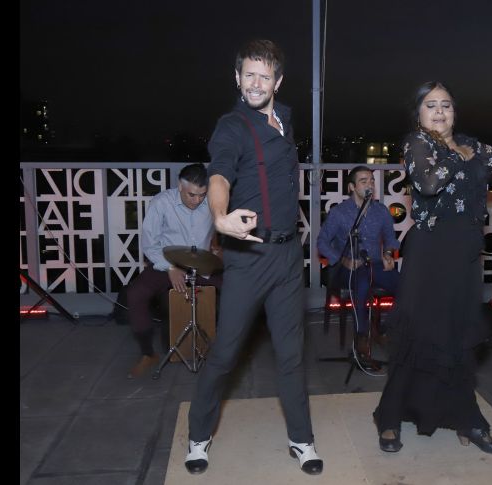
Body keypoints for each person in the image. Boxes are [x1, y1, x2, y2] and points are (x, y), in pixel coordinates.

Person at [372, 81, 492, 454]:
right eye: (431, 105)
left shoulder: (471, 144)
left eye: (446, 105)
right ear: (419, 113)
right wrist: (454, 153)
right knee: (417, 335)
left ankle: (467, 418)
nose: (440, 111)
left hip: (464, 256)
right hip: (430, 254)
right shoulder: (417, 143)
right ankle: (391, 417)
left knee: (459, 337)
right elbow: (428, 184)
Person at [184, 39, 323, 476]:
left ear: (278, 81)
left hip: (286, 256)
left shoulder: (286, 117)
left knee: (291, 353)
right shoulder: (232, 125)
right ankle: (198, 436)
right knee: (226, 351)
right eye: (249, 75)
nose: (255, 83)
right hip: (248, 256)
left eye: (264, 76)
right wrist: (220, 217)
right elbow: (220, 171)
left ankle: (301, 440)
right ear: (237, 78)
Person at [125, 163, 222, 379]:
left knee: (238, 292)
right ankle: (147, 354)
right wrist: (170, 267)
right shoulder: (161, 202)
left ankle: (225, 350)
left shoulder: (212, 200)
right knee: (136, 294)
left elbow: (222, 226)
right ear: (180, 185)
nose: (197, 200)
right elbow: (149, 243)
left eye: (202, 195)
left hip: (202, 264)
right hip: (166, 264)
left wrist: (219, 247)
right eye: (191, 195)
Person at [317, 165, 400, 370]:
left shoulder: (381, 211)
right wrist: (343, 260)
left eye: (372, 181)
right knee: (362, 283)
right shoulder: (340, 212)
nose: (370, 184)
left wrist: (388, 254)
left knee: (407, 285)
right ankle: (361, 340)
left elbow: (390, 238)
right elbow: (322, 243)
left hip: (375, 264)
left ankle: (384, 330)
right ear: (352, 187)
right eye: (364, 181)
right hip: (346, 268)